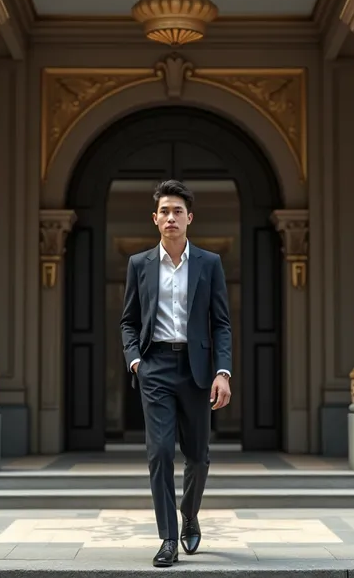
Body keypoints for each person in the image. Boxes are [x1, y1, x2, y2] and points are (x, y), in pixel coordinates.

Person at [120, 179, 232, 567]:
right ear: (155, 219)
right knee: (161, 452)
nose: (171, 217)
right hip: (155, 369)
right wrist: (136, 361)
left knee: (198, 456)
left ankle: (189, 514)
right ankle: (168, 538)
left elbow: (221, 323)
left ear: (189, 219)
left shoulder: (209, 263)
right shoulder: (139, 265)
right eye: (164, 211)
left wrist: (223, 371)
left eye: (177, 211)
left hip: (197, 369)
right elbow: (128, 322)